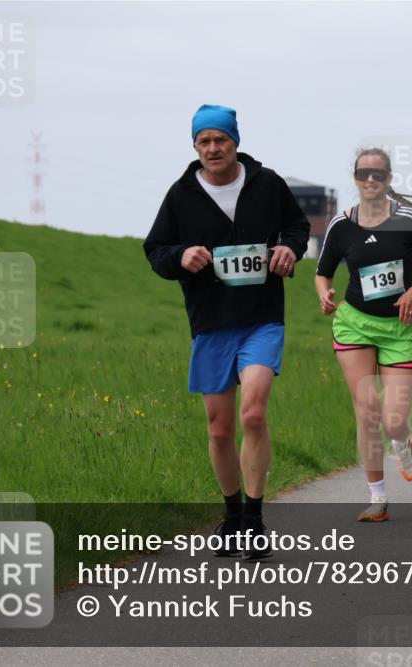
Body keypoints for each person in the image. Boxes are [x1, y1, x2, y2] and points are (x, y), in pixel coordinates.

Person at [144, 104, 310, 560]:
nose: (213, 148)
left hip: (262, 318)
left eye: (221, 139)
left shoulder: (267, 183)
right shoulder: (181, 194)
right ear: (195, 146)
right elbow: (155, 249)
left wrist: (289, 249)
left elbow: (297, 227)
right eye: (205, 141)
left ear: (235, 141)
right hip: (211, 323)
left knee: (253, 414)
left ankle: (254, 521)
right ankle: (233, 516)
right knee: (219, 430)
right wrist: (180, 256)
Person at [315, 148, 412, 522]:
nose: (370, 180)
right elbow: (323, 273)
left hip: (399, 328)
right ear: (355, 178)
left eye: (378, 174)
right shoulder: (341, 224)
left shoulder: (408, 220)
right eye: (363, 174)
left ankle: (402, 439)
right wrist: (324, 293)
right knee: (367, 410)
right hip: (354, 323)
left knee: (392, 420)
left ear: (389, 178)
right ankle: (377, 498)